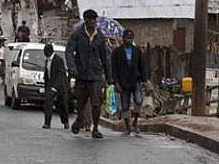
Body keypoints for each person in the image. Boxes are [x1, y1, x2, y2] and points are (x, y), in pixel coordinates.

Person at [65, 9, 111, 138]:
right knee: (80, 102)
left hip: (96, 75)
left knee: (96, 103)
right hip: (81, 74)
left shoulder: (100, 36)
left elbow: (105, 57)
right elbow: (69, 51)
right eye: (89, 19)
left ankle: (95, 128)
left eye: (93, 19)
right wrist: (72, 67)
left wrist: (109, 77)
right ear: (85, 20)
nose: (91, 22)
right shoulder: (77, 35)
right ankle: (79, 119)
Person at [111, 29, 147, 136]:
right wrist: (116, 82)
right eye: (127, 38)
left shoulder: (137, 51)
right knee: (125, 105)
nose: (129, 40)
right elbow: (114, 69)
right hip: (123, 82)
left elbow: (142, 66)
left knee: (139, 100)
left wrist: (144, 80)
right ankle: (127, 127)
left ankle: (135, 121)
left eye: (131, 38)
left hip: (135, 80)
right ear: (123, 39)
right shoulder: (117, 52)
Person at [43, 43, 69, 129]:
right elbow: (47, 74)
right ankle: (47, 123)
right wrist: (46, 86)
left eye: (45, 51)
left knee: (62, 105)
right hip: (50, 85)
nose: (44, 53)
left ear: (49, 51)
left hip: (60, 86)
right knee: (48, 103)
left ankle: (65, 121)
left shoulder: (59, 60)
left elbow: (61, 75)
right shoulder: (47, 60)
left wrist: (55, 88)